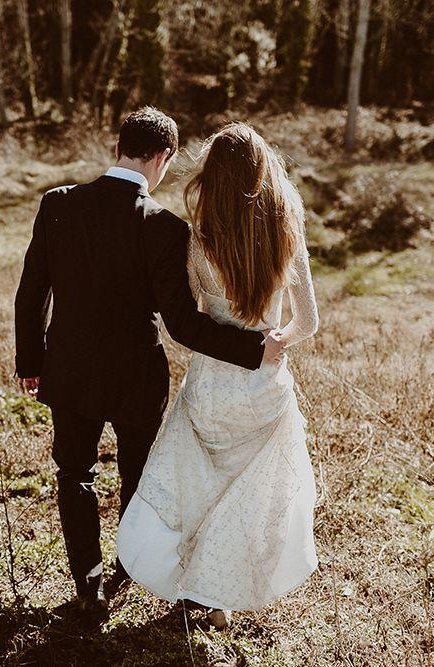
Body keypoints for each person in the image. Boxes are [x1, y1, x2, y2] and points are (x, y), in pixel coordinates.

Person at [13, 108, 286, 617]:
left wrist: (31, 361)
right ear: (163, 157)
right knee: (139, 477)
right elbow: (182, 324)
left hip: (68, 370)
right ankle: (132, 565)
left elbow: (31, 293)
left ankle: (88, 586)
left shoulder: (58, 205)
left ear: (119, 148)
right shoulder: (164, 228)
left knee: (74, 474)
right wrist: (254, 348)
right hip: (137, 376)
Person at [116, 122, 320, 630]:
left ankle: (190, 591)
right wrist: (274, 342)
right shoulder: (285, 230)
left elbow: (189, 318)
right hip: (263, 387)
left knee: (197, 487)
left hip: (210, 383)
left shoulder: (199, 237)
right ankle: (217, 595)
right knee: (245, 498)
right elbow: (309, 321)